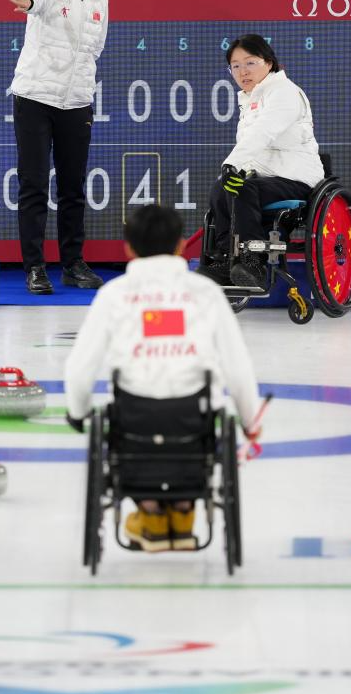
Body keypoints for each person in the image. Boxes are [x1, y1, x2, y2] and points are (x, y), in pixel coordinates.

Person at [65, 204, 262, 552]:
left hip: (133, 419)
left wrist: (77, 413)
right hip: (195, 419)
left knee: (133, 414)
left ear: (128, 248)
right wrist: (250, 421)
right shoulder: (206, 292)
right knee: (193, 412)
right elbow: (238, 364)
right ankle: (183, 515)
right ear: (181, 245)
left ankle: (151, 516)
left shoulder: (114, 294)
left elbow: (81, 366)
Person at [6, 0, 108, 295]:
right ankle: (35, 267)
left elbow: (96, 49)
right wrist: (25, 3)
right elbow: (34, 0)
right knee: (34, 185)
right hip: (35, 98)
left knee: (72, 187)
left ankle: (73, 264)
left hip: (77, 102)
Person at [202, 34, 324, 288]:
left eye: (250, 63)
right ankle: (225, 257)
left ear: (268, 63)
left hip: (295, 177)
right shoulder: (250, 99)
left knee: (242, 188)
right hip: (263, 178)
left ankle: (252, 262)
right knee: (221, 188)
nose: (243, 71)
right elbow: (253, 149)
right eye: (235, 66)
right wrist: (234, 171)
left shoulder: (284, 92)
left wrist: (232, 164)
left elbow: (263, 133)